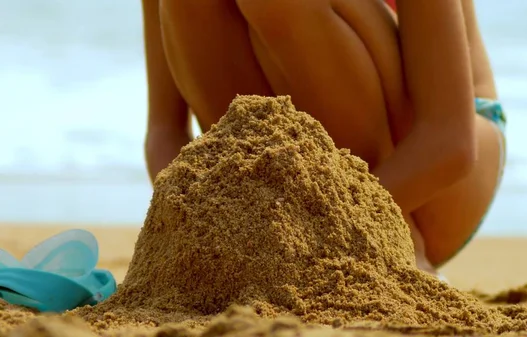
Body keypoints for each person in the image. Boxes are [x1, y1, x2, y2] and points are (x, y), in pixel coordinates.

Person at [141, 0, 507, 278]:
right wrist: (189, 227)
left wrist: (319, 229)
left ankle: (402, 250)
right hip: (291, 201)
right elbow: (165, 131)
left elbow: (449, 143)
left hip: (432, 175)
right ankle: (269, 213)